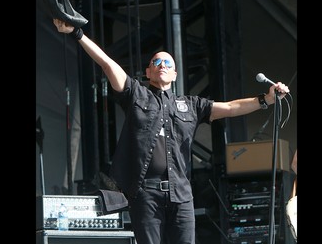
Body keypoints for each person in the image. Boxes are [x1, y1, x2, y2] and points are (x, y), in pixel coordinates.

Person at [52, 19, 290, 244]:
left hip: (181, 194)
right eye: (157, 62)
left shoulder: (192, 105)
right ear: (148, 72)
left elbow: (229, 107)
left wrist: (266, 100)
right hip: (146, 193)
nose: (162, 65)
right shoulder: (137, 94)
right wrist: (77, 33)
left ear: (175, 74)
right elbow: (107, 63)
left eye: (168, 63)